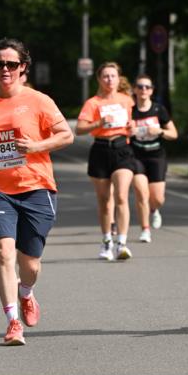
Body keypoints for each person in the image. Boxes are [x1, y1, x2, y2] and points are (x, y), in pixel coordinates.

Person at [0, 38, 73, 345]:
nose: (5, 69)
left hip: (37, 187)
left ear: (23, 67)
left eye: (11, 64)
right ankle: (12, 322)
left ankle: (26, 293)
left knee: (30, 264)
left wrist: (38, 146)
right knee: (3, 251)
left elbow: (66, 135)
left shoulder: (39, 101)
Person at [76, 62, 137, 261]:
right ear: (99, 80)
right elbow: (80, 129)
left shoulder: (127, 100)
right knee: (104, 201)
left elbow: (133, 123)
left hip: (122, 149)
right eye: (105, 76)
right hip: (100, 149)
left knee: (121, 196)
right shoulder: (93, 103)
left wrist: (132, 127)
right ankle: (106, 241)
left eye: (113, 76)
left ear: (119, 79)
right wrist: (99, 123)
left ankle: (122, 242)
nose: (109, 80)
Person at [129, 74, 178, 241]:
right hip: (136, 156)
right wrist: (129, 132)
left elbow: (174, 134)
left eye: (147, 87)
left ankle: (154, 210)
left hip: (156, 156)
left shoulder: (159, 109)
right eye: (140, 86)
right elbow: (119, 131)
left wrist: (160, 131)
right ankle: (145, 229)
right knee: (141, 194)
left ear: (151, 90)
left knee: (157, 198)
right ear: (134, 89)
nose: (144, 90)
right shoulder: (130, 110)